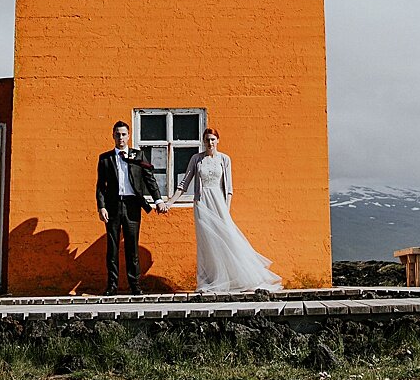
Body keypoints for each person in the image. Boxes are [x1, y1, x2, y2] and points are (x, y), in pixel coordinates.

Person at [160, 127, 282, 293]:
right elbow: (184, 184)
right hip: (202, 204)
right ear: (203, 142)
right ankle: (208, 282)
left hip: (219, 203)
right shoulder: (196, 159)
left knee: (228, 239)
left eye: (212, 139)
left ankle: (243, 278)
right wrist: (170, 202)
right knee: (207, 244)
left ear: (217, 141)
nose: (210, 143)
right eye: (207, 140)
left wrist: (226, 211)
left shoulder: (224, 159)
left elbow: (229, 188)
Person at [95, 119, 163, 295]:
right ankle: (112, 286)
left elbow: (149, 178)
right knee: (112, 247)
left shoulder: (138, 155)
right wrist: (101, 207)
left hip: (132, 205)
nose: (121, 138)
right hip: (113, 206)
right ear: (113, 136)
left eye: (124, 134)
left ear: (129, 136)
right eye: (117, 134)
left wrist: (158, 200)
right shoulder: (105, 158)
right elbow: (101, 185)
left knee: (132, 247)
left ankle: (135, 285)